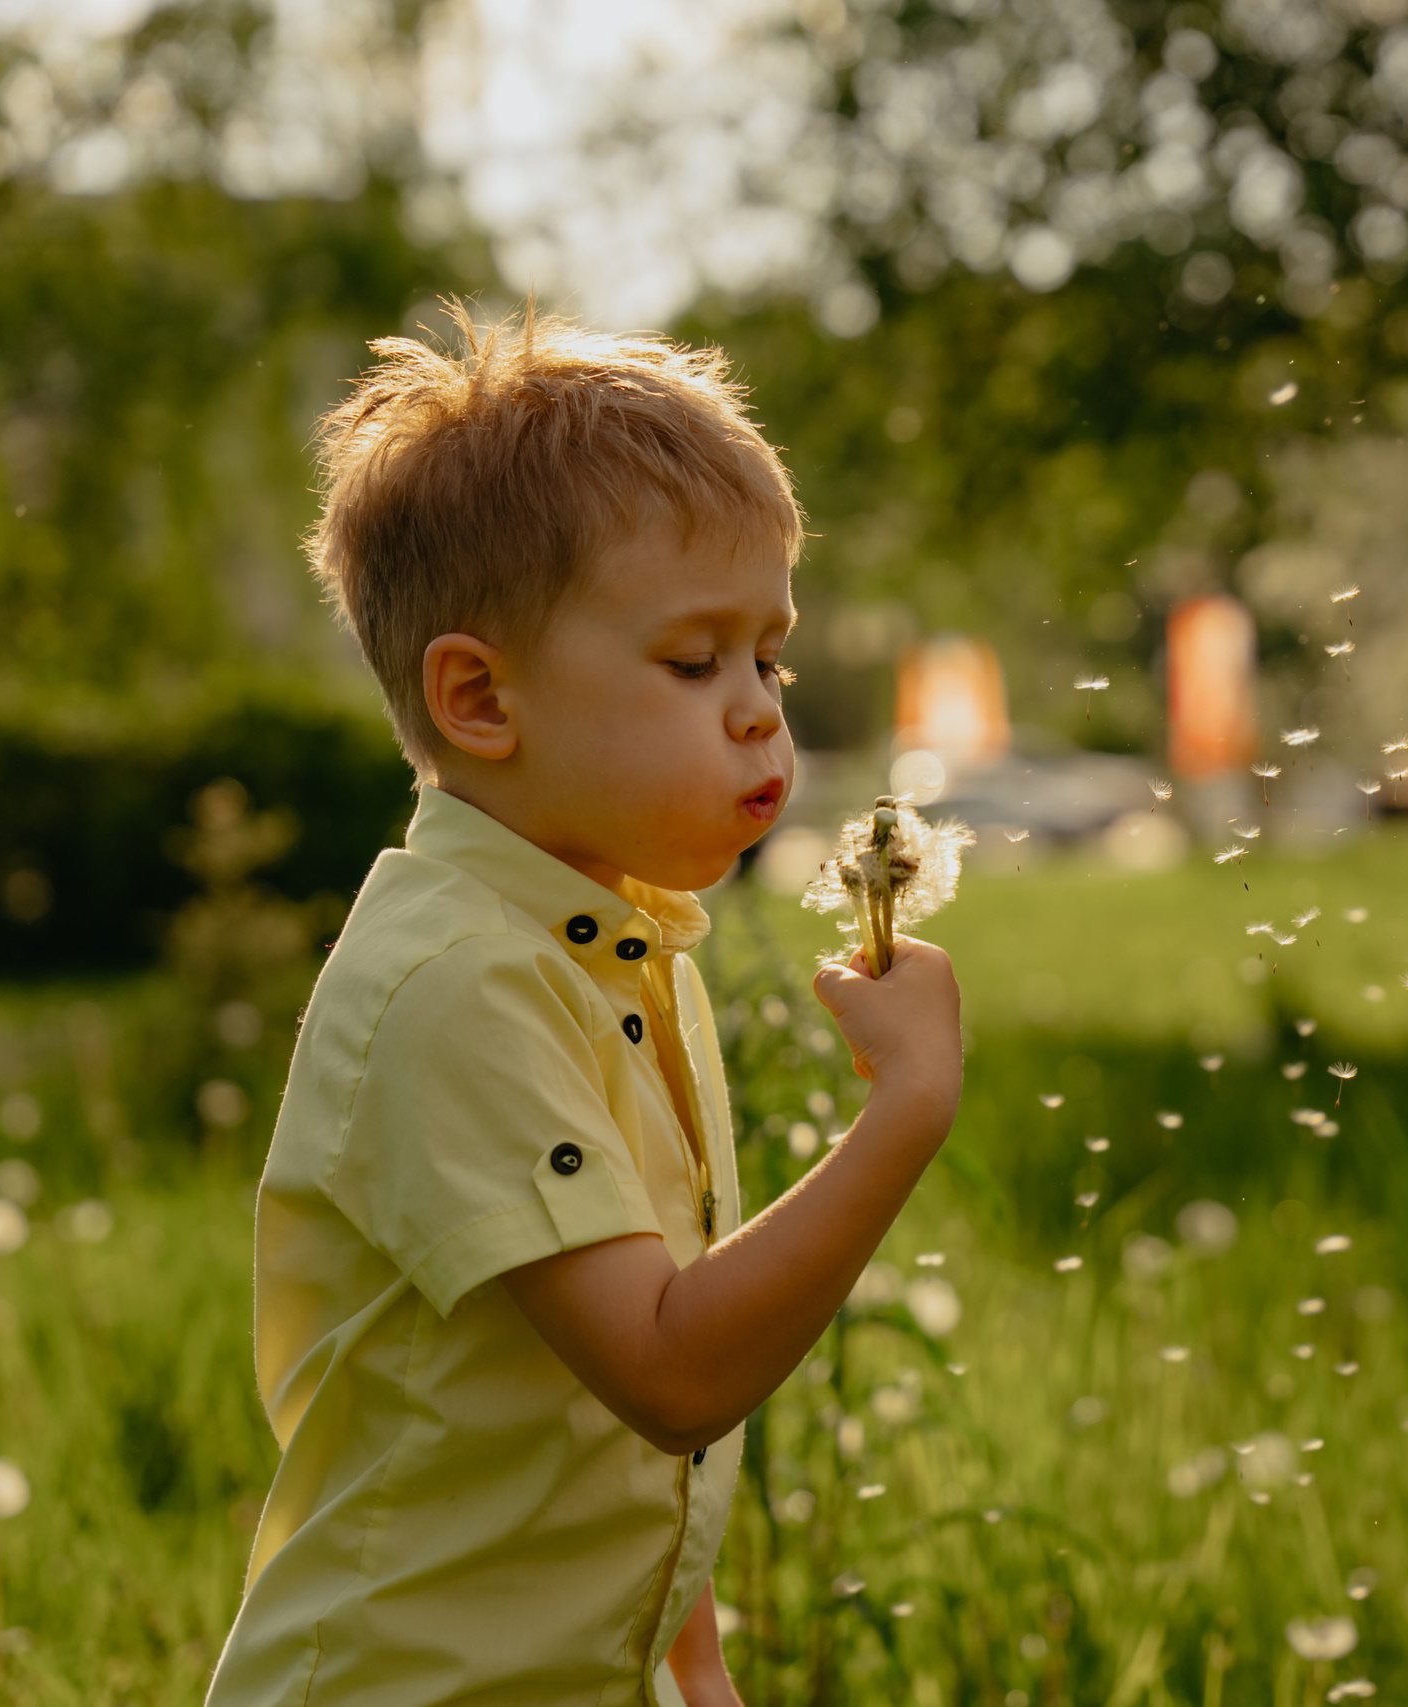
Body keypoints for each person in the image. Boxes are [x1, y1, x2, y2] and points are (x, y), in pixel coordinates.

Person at [204, 306, 964, 1707]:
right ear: (481, 698)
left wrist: (696, 1672)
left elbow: (617, 1460)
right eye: (694, 662)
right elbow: (668, 1373)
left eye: (768, 659)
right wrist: (904, 1113)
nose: (757, 713)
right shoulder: (460, 988)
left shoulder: (619, 950)